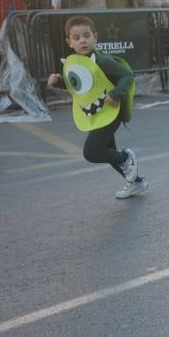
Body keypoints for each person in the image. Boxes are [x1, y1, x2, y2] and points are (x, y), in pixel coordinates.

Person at [46, 16, 147, 199]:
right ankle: (136, 182)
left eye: (86, 35)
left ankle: (126, 157)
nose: (82, 40)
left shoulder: (101, 60)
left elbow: (127, 76)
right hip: (95, 113)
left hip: (111, 110)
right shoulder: (74, 62)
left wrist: (116, 93)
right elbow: (78, 88)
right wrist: (57, 82)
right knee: (107, 152)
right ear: (69, 42)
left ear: (95, 37)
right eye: (76, 38)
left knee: (92, 152)